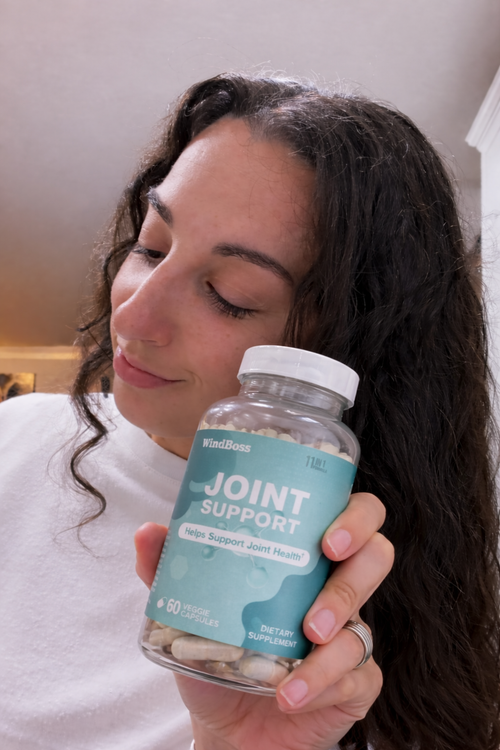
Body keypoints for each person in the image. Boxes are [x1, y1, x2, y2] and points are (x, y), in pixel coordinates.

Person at [0, 73, 498, 750]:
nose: (134, 315)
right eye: (151, 246)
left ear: (344, 348)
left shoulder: (335, 639)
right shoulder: (16, 435)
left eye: (230, 295)